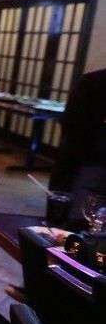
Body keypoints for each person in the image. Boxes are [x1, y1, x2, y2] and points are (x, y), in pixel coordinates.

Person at [49, 67, 106, 221]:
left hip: (92, 163)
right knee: (79, 226)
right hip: (91, 166)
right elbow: (73, 128)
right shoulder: (93, 83)